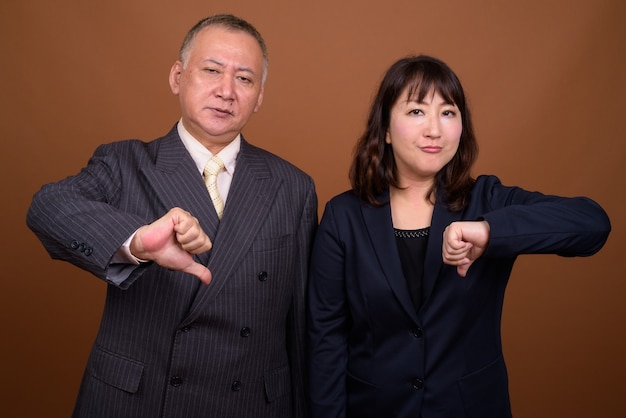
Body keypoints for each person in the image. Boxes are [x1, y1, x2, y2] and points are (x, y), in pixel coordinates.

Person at [27, 14, 317, 418]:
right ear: (178, 77)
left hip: (250, 403)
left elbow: (302, 323)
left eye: (245, 79)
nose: (226, 91)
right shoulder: (123, 162)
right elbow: (47, 207)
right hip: (137, 402)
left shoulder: (293, 187)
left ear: (260, 96)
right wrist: (135, 241)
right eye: (212, 70)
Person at [307, 55, 610, 418]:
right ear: (385, 129)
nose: (434, 129)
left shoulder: (487, 199)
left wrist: (489, 230)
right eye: (417, 111)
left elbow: (593, 224)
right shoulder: (344, 215)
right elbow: (326, 339)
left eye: (448, 112)